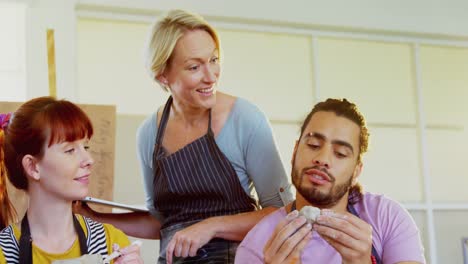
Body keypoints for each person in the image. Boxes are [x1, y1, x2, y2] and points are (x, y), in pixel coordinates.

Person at [73, 9, 293, 264]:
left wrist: (211, 226)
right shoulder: (149, 133)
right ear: (162, 74)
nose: (211, 76)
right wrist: (95, 217)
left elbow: (282, 214)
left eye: (214, 59)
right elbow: (161, 221)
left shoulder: (245, 119)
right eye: (194, 66)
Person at [235, 98, 426, 264]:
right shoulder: (257, 244)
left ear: (356, 172)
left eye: (340, 154)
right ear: (294, 152)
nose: (323, 159)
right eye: (313, 145)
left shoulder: (386, 218)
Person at [0, 97, 143, 263]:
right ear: (32, 167)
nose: (89, 159)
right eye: (70, 150)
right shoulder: (5, 252)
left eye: (86, 147)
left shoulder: (111, 244)